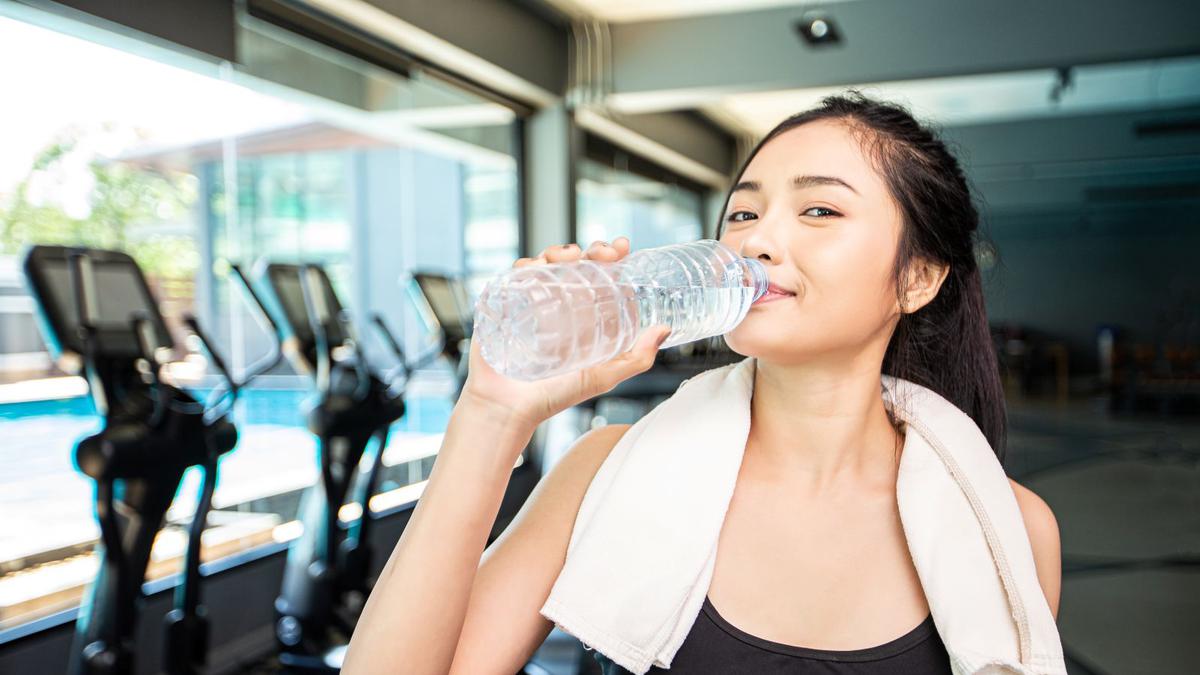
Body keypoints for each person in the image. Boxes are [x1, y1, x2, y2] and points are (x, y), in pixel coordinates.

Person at [342, 93, 1062, 675]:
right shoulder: (606, 471)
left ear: (917, 277)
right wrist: (493, 412)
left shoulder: (1010, 529)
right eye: (744, 212)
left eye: (819, 210)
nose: (755, 240)